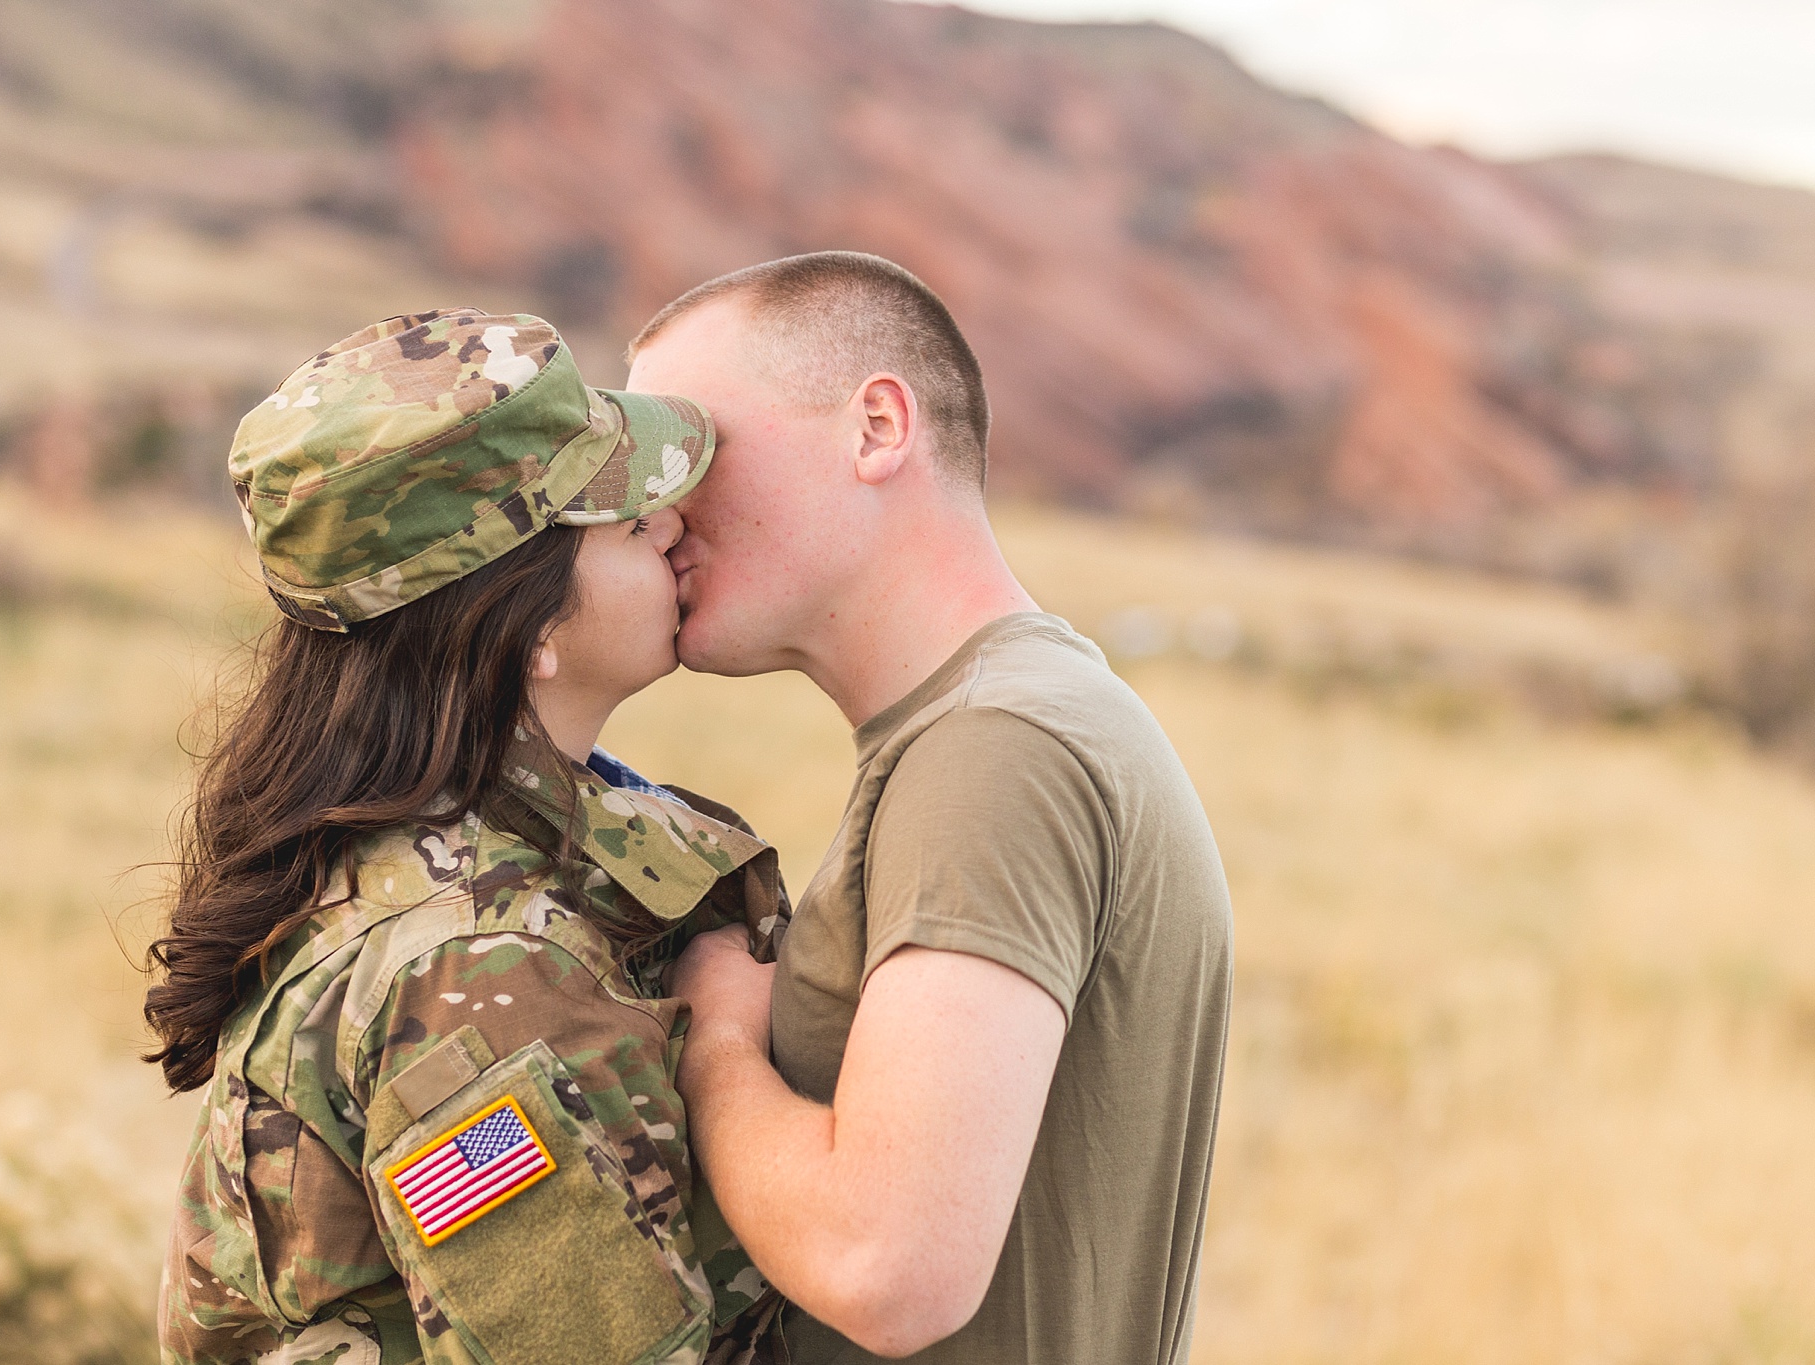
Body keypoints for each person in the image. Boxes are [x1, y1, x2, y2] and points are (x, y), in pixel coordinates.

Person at [143, 308, 787, 1365]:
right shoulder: (478, 977)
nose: (669, 527)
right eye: (626, 525)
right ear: (527, 628)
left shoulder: (439, 855)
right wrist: (723, 1041)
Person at [630, 253, 1235, 1365]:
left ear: (875, 428)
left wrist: (714, 1039)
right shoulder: (1005, 722)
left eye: (693, 449)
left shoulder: (996, 748)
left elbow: (887, 1267)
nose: (658, 517)